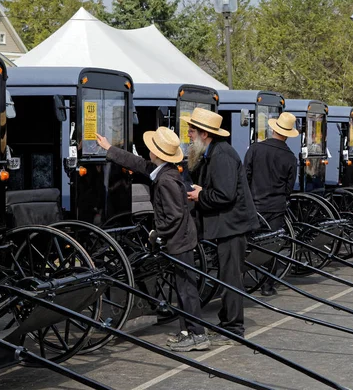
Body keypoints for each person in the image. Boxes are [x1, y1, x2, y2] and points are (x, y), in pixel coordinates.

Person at [95, 127, 209, 351]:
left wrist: (157, 233)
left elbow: (174, 216)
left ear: (157, 154)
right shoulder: (164, 171)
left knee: (186, 289)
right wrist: (110, 148)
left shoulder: (166, 180)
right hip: (182, 238)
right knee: (182, 287)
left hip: (180, 240)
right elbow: (137, 163)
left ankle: (198, 334)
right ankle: (188, 331)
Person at [184, 108, 260, 344]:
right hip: (227, 225)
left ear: (205, 134)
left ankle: (234, 327)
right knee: (228, 275)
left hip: (232, 225)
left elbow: (224, 195)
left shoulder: (222, 155)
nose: (188, 134)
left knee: (231, 278)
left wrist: (201, 195)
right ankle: (227, 320)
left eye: (192, 130)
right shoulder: (212, 152)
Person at [244, 112, 299, 296]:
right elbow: (288, 188)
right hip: (276, 206)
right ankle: (267, 285)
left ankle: (245, 277)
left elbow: (246, 177)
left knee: (250, 242)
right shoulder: (290, 157)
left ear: (273, 129)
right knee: (273, 244)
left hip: (255, 204)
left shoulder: (255, 149)